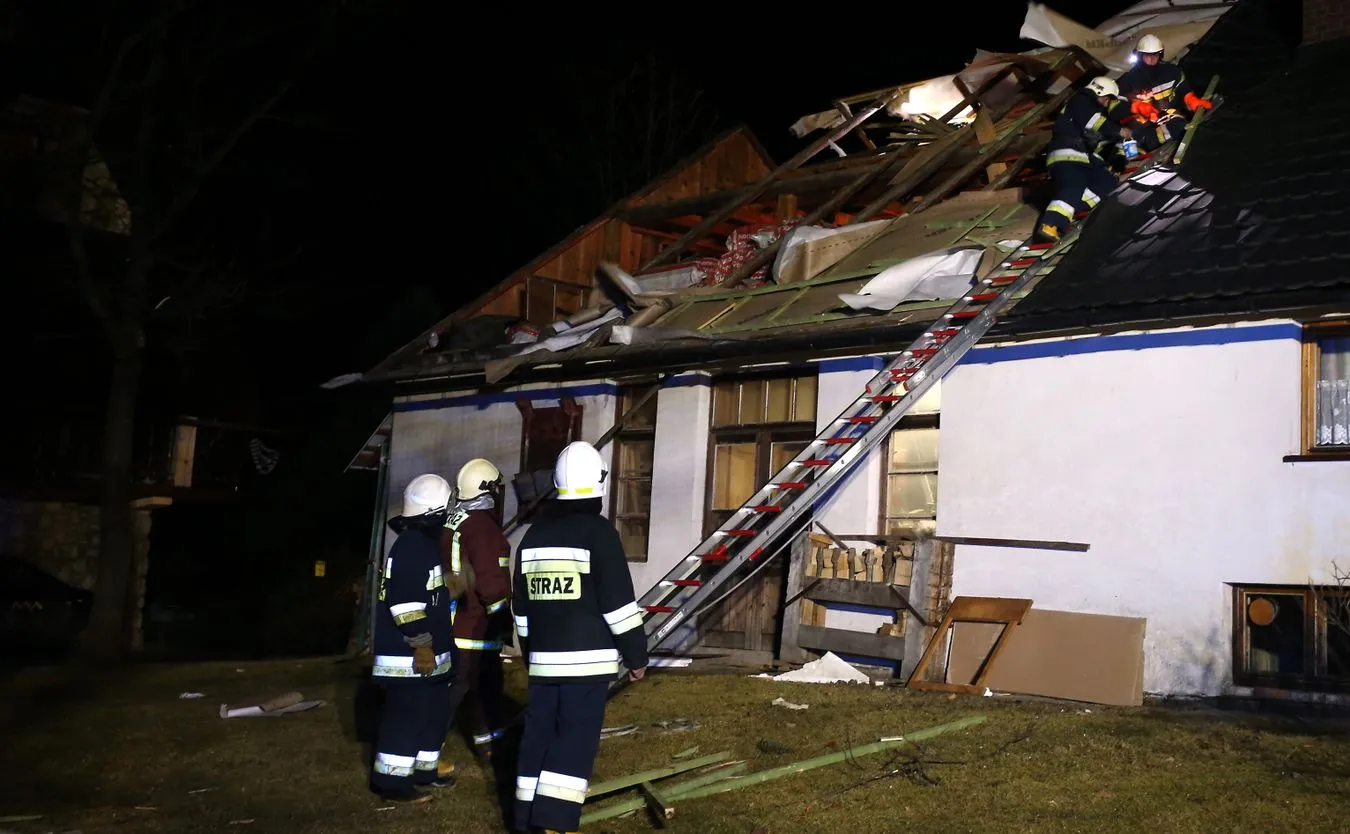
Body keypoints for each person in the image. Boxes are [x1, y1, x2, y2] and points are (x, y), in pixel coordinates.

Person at [511, 441, 649, 834]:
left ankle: (525, 819)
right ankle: (553, 821)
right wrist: (637, 657)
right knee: (574, 740)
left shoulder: (533, 537)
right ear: (599, 483)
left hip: (542, 664)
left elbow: (521, 610)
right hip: (587, 666)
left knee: (538, 736)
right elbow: (618, 608)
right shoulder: (600, 534)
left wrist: (531, 655)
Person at [369, 473, 468, 803]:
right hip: (409, 659)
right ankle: (392, 783)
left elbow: (427, 594)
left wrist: (447, 588)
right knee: (406, 720)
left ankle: (425, 772)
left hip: (429, 658)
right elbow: (405, 605)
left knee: (431, 716)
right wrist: (423, 644)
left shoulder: (423, 545)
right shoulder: (412, 546)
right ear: (433, 512)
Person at [441, 458, 513, 771]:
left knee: (475, 690)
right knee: (476, 689)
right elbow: (490, 581)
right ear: (487, 490)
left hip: (454, 623)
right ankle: (424, 747)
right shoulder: (482, 528)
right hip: (475, 627)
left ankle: (490, 745)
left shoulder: (453, 521)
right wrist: (502, 620)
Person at [1033, 75, 1133, 245]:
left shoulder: (1094, 110)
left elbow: (1101, 137)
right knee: (1074, 185)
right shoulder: (1081, 100)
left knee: (1107, 182)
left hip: (1084, 157)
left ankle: (1069, 210)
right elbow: (1095, 122)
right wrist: (1119, 131)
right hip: (1065, 153)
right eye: (1107, 98)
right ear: (1099, 92)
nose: (1107, 102)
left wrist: (1119, 155)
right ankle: (1050, 225)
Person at [1116, 33, 1217, 153]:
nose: (1151, 59)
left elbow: (1183, 88)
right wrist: (1136, 107)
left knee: (1178, 125)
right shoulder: (1128, 80)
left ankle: (1169, 140)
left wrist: (1191, 99)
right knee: (1135, 139)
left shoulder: (1171, 71)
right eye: (1147, 55)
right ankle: (1142, 147)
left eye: (1155, 54)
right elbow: (1116, 107)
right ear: (1139, 55)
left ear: (1161, 54)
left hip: (1168, 117)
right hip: (1142, 123)